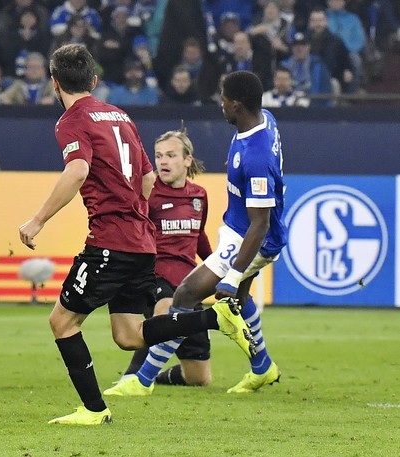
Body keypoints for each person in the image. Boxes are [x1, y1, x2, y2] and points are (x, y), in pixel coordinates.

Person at [17, 44, 256, 425]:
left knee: (61, 322)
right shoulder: (120, 116)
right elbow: (147, 177)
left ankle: (94, 410)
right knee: (130, 334)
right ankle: (216, 320)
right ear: (93, 81)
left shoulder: (71, 120)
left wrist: (38, 220)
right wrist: (133, 217)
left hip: (110, 242)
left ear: (54, 83)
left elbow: (77, 171)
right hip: (142, 243)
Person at [129, 70, 285, 395]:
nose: (221, 104)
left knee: (186, 294)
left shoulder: (256, 158)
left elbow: (262, 224)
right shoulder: (263, 119)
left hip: (253, 239)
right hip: (236, 228)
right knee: (241, 299)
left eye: (225, 99)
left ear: (238, 105)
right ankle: (263, 368)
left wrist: (234, 273)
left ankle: (140, 380)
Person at [104, 128, 214, 396]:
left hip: (189, 284)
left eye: (171, 155)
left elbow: (198, 238)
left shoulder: (199, 195)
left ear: (187, 160)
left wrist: (218, 269)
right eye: (159, 156)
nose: (163, 161)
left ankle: (155, 376)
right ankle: (133, 378)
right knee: (165, 309)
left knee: (198, 377)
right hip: (155, 278)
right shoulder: (148, 193)